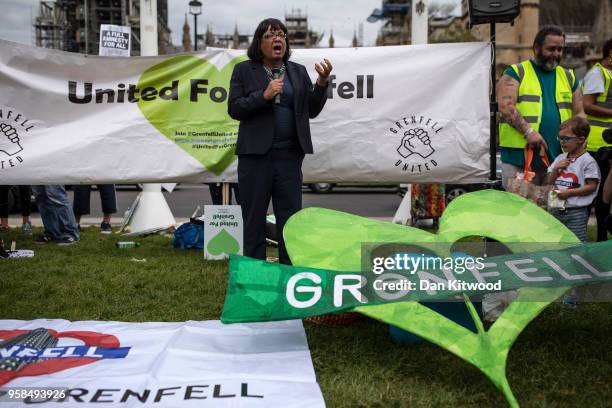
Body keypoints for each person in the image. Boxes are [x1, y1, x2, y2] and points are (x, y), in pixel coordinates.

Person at [228, 18, 332, 265]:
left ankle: (288, 276)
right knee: (253, 220)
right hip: (255, 158)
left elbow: (312, 110)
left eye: (282, 35)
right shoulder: (244, 70)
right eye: (271, 35)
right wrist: (263, 96)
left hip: (289, 157)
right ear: (259, 43)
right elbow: (234, 108)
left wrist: (321, 84)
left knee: (290, 220)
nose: (278, 39)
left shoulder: (297, 71)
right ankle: (256, 276)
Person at [497, 25, 584, 189]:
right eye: (551, 49)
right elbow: (505, 106)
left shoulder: (569, 76)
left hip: (558, 161)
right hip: (519, 162)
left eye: (560, 49)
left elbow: (579, 114)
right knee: (519, 213)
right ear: (536, 48)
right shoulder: (516, 72)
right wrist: (528, 132)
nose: (556, 54)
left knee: (552, 212)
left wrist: (580, 141)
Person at [546, 117, 600, 243]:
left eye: (567, 138)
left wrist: (569, 193)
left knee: (576, 241)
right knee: (555, 240)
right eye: (560, 138)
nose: (562, 142)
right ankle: (559, 262)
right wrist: (556, 169)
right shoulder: (560, 158)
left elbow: (592, 186)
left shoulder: (588, 161)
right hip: (555, 208)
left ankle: (578, 262)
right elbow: (549, 180)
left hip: (576, 211)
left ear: (581, 139)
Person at [583, 38, 612, 241]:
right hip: (597, 144)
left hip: (609, 142)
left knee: (607, 197)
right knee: (599, 196)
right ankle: (598, 238)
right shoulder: (596, 73)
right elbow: (587, 105)